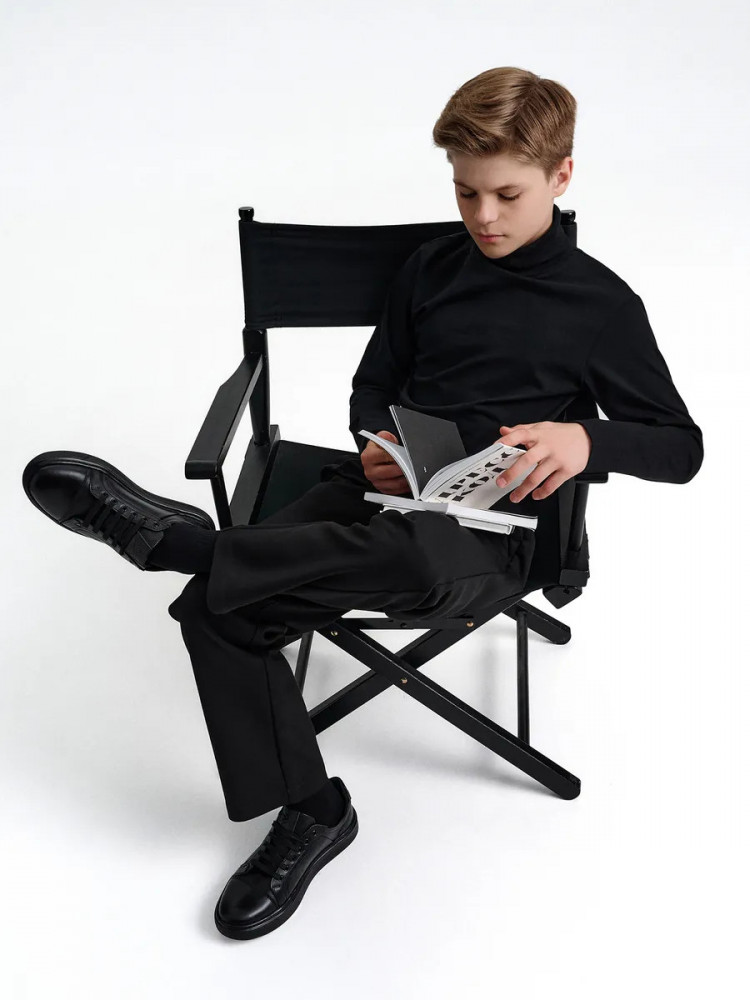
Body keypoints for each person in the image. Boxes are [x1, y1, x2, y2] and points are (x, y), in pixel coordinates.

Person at [20, 66, 703, 942]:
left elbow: (681, 447)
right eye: (465, 192)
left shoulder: (602, 305)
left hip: (497, 531)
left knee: (380, 562)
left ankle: (190, 544)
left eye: (507, 194)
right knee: (213, 613)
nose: (483, 216)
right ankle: (314, 812)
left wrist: (585, 440)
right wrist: (375, 439)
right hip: (388, 489)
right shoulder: (430, 269)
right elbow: (373, 383)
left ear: (561, 176)